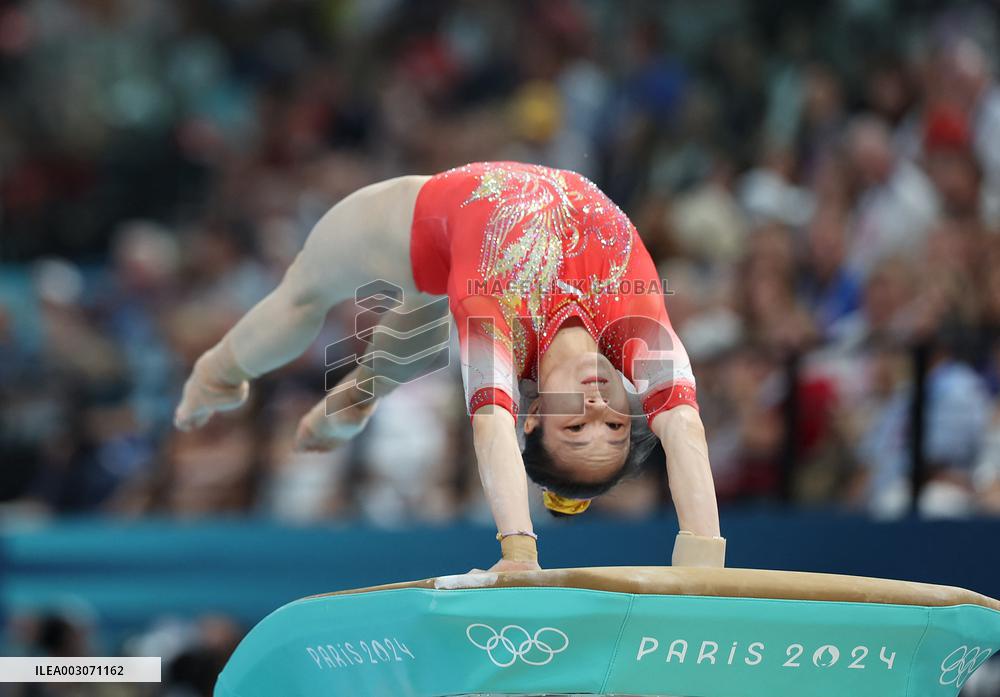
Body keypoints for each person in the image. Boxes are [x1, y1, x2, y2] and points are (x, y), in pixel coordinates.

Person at [174, 162, 724, 572]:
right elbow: (683, 423)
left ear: (533, 416)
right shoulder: (636, 321)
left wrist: (519, 550)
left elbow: (490, 423)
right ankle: (341, 390)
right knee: (328, 296)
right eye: (616, 425)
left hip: (422, 234)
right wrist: (705, 563)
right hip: (447, 235)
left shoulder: (494, 316)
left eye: (577, 425)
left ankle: (219, 376)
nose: (598, 405)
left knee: (315, 293)